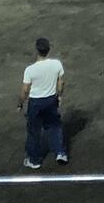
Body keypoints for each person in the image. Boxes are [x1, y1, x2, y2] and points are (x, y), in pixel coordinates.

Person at [20, 37, 68, 170]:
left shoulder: (30, 69)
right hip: (51, 100)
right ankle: (60, 153)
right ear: (48, 50)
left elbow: (25, 90)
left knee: (34, 131)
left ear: (37, 50)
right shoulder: (57, 64)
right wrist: (59, 96)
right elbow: (61, 82)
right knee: (55, 126)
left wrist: (20, 103)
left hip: (35, 102)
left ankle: (34, 160)